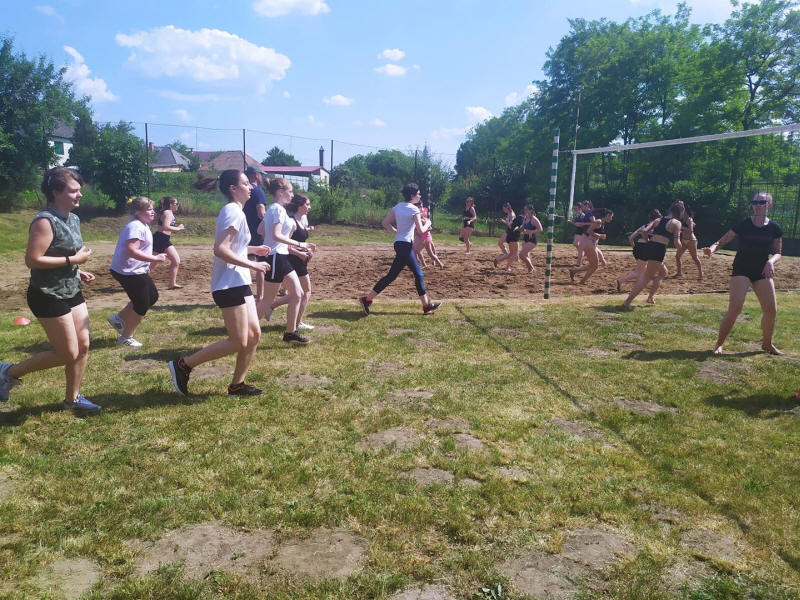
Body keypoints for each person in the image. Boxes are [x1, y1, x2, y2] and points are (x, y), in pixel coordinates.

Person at [0, 168, 100, 413]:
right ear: (55, 192)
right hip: (47, 294)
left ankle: (72, 400)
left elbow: (63, 253)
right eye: (73, 191)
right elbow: (33, 260)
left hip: (71, 289)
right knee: (67, 353)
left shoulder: (73, 219)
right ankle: (7, 373)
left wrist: (77, 270)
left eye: (79, 190)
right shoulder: (44, 221)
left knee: (83, 346)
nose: (79, 195)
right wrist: (73, 261)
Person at [167, 169, 271, 396]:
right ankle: (183, 365)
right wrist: (253, 264)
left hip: (238, 281)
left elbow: (234, 246)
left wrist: (253, 250)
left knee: (254, 335)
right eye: (246, 183)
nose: (251, 187)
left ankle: (237, 385)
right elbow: (220, 249)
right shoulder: (232, 211)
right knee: (238, 341)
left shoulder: (238, 212)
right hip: (228, 285)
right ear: (233, 188)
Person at [702, 191, 783, 355]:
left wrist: (770, 262)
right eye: (754, 202)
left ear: (769, 205)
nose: (757, 205)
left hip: (761, 270)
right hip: (742, 269)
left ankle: (767, 344)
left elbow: (778, 252)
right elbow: (722, 241)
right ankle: (718, 344)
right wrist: (712, 249)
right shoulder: (743, 224)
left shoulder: (774, 228)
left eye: (761, 202)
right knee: (735, 308)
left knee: (771, 310)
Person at [359, 183, 442, 316]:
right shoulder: (414, 210)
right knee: (418, 274)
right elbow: (421, 230)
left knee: (392, 276)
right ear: (412, 195)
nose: (420, 196)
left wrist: (396, 232)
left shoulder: (397, 207)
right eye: (418, 194)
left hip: (399, 244)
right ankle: (426, 306)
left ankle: (367, 300)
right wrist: (428, 223)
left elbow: (385, 223)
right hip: (405, 246)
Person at [257, 178, 315, 344]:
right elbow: (275, 235)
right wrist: (300, 244)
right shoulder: (277, 209)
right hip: (276, 257)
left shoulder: (275, 209)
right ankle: (245, 327)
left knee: (298, 294)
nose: (292, 195)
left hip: (281, 256)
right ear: (280, 192)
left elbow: (260, 230)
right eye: (290, 191)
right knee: (267, 300)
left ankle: (290, 333)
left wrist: (272, 240)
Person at [107, 197, 167, 347]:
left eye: (152, 209)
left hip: (136, 270)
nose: (153, 212)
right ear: (137, 212)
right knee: (141, 304)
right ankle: (126, 337)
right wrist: (155, 258)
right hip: (127, 271)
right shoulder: (135, 227)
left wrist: (146, 265)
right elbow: (132, 251)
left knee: (152, 296)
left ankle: (118, 318)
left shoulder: (143, 225)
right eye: (148, 209)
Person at [267, 193, 317, 331]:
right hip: (292, 259)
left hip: (299, 259)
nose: (309, 207)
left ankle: (273, 306)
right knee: (305, 291)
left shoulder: (302, 220)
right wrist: (300, 253)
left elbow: (299, 241)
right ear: (299, 206)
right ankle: (297, 323)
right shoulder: (291, 222)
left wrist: (307, 250)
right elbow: (286, 245)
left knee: (299, 292)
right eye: (307, 204)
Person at [622, 203, 683, 310]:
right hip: (659, 249)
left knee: (663, 272)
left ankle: (650, 297)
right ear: (680, 213)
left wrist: (648, 242)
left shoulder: (658, 220)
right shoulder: (677, 223)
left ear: (670, 210)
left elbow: (644, 232)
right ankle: (627, 302)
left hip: (649, 246)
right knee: (646, 277)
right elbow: (677, 243)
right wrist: (681, 246)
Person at [616, 209, 663, 303]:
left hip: (638, 247)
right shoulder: (655, 227)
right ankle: (622, 281)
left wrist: (636, 248)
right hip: (647, 248)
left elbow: (630, 238)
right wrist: (648, 244)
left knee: (642, 270)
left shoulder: (644, 226)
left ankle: (633, 286)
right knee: (641, 271)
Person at [242, 166, 268, 302]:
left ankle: (243, 290)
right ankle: (261, 295)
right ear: (256, 175)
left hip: (245, 231)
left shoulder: (244, 191)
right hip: (257, 232)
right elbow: (261, 213)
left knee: (245, 261)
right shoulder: (257, 191)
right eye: (261, 175)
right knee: (261, 264)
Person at [568, 208, 614, 284]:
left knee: (593, 265)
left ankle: (574, 270)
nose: (611, 219)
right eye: (611, 216)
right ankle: (582, 281)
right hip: (589, 244)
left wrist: (599, 237)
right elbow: (589, 231)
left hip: (591, 244)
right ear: (607, 215)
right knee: (595, 266)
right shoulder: (599, 221)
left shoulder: (601, 222)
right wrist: (600, 236)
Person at [153, 196, 185, 289]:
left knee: (176, 261)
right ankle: (139, 280)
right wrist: (178, 228)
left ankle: (172, 284)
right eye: (176, 203)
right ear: (171, 204)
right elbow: (165, 227)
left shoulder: (166, 212)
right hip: (160, 239)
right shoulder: (167, 212)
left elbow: (154, 223)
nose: (178, 205)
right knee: (152, 263)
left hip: (164, 239)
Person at [674, 202, 704, 280]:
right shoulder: (681, 219)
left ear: (685, 211)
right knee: (677, 256)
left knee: (695, 258)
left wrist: (681, 228)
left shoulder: (689, 219)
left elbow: (691, 231)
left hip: (691, 240)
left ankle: (701, 273)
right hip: (684, 240)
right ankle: (679, 273)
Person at [494, 202, 524, 271]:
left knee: (512, 252)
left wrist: (507, 222)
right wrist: (505, 222)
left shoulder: (512, 215)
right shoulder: (512, 215)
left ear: (507, 207)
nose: (503, 210)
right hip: (512, 234)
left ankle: (502, 260)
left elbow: (511, 225)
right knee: (513, 252)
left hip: (510, 233)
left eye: (503, 208)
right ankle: (504, 262)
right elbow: (511, 226)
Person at [413, 203, 444, 268]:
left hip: (424, 238)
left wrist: (421, 232)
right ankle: (437, 264)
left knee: (418, 251)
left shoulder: (422, 219)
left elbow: (429, 228)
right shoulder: (421, 218)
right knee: (428, 253)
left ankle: (422, 264)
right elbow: (428, 228)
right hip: (424, 237)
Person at [519, 205, 543, 273]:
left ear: (531, 210)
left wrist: (532, 231)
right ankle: (530, 269)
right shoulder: (525, 218)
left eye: (526, 210)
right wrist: (519, 228)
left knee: (521, 255)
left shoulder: (534, 219)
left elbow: (540, 229)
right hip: (525, 238)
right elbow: (523, 227)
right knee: (526, 255)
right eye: (524, 209)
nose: (525, 211)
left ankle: (531, 268)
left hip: (532, 239)